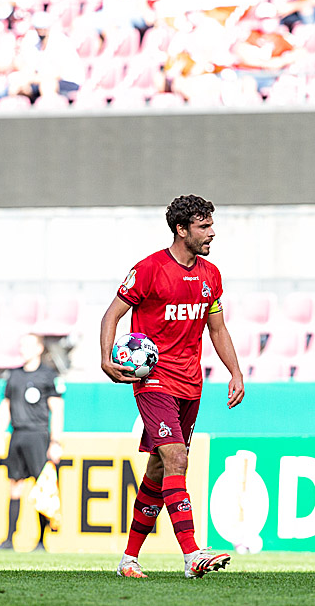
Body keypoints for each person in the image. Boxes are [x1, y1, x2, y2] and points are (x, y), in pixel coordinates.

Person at [101, 194, 245, 579]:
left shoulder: (211, 276)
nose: (211, 233)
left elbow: (217, 328)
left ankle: (129, 559)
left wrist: (235, 371)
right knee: (177, 459)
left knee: (159, 467)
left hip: (191, 384)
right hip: (153, 380)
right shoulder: (149, 270)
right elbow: (111, 315)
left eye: (211, 225)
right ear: (181, 230)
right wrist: (106, 359)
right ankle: (192, 554)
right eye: (203, 226)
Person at [0, 334, 65, 552]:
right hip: (17, 435)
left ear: (40, 348)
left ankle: (41, 542)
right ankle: (9, 540)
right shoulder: (14, 375)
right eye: (22, 345)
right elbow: (5, 406)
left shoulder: (48, 375)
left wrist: (55, 441)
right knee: (15, 485)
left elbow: (57, 409)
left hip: (38, 435)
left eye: (29, 345)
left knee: (42, 487)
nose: (24, 349)